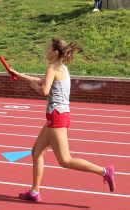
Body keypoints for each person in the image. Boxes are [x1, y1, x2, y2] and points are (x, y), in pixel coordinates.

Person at [7, 38, 115, 202]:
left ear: (56, 52)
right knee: (36, 152)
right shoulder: (60, 67)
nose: (46, 50)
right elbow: (41, 81)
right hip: (58, 116)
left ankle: (105, 171)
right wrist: (19, 75)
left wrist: (35, 88)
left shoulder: (52, 67)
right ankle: (34, 192)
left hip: (56, 117)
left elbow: (43, 89)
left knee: (65, 160)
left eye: (48, 48)